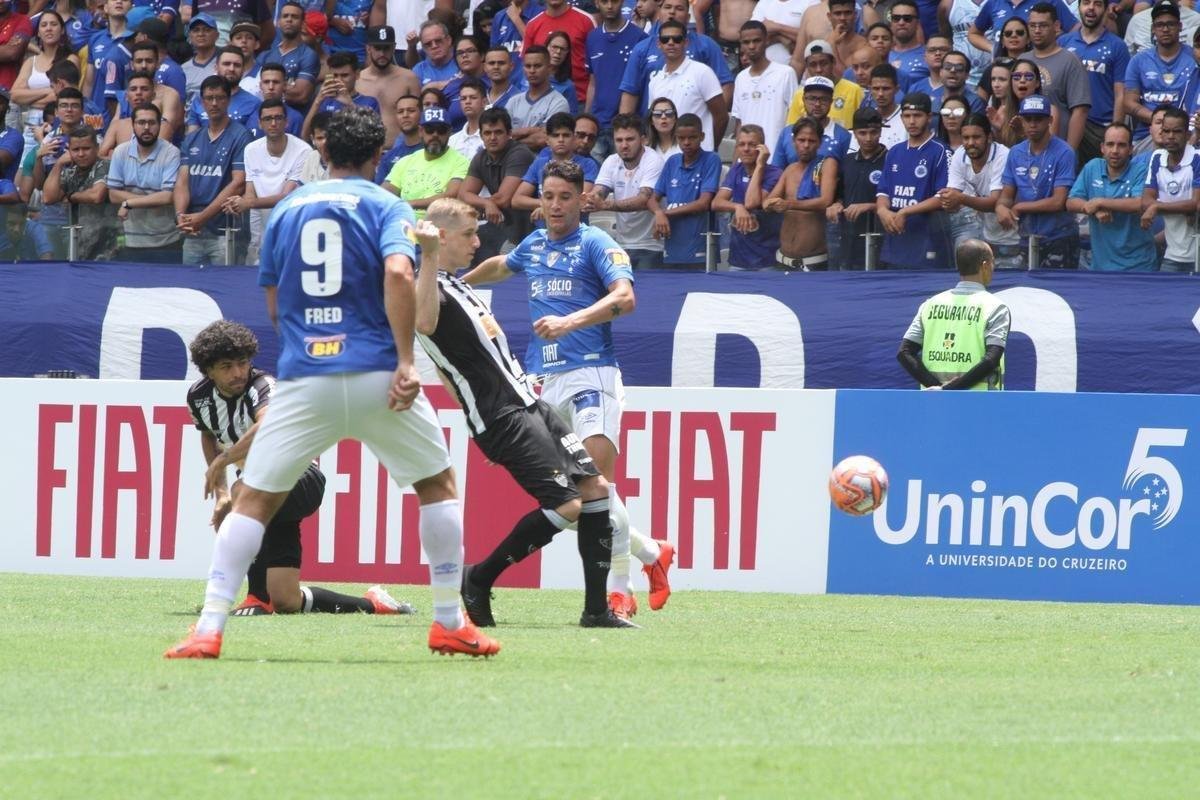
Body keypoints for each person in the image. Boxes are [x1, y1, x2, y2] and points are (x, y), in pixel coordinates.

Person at [165, 107, 499, 660]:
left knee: (250, 502)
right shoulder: (386, 203)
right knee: (436, 487)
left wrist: (302, 346)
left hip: (304, 378)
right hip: (374, 373)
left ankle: (207, 629)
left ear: (323, 156)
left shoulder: (288, 208)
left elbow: (271, 295)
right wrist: (406, 360)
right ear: (376, 158)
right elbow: (397, 273)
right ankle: (448, 622)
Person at [463, 159, 673, 621]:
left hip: (591, 373)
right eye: (548, 196)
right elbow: (503, 264)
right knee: (580, 494)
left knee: (597, 488)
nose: (555, 205)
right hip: (544, 380)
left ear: (583, 200)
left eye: (564, 197)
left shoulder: (597, 243)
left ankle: (618, 591)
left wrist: (570, 320)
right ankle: (651, 552)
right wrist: (459, 282)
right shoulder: (536, 243)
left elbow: (625, 298)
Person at [412, 198, 632, 629]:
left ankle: (595, 610)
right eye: (468, 235)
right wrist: (429, 255)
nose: (478, 242)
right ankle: (479, 577)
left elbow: (448, 363)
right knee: (568, 504)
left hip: (530, 404)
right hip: (502, 416)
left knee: (596, 489)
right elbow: (423, 324)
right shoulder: (428, 286)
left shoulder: (458, 285)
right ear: (439, 238)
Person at [184, 320, 415, 618]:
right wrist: (220, 492)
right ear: (208, 370)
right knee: (287, 600)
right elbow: (208, 433)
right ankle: (375, 603)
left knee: (245, 492)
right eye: (226, 366)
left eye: (242, 363)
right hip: (262, 493)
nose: (238, 373)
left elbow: (266, 424)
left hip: (300, 479)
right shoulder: (199, 397)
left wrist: (224, 461)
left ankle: (256, 598)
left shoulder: (262, 385)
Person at [897, 238, 1011, 390]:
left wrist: (936, 388)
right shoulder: (996, 307)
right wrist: (949, 391)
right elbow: (991, 360)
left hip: (934, 403)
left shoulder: (930, 304)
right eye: (992, 262)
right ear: (985, 266)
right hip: (981, 404)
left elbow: (904, 353)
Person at [173, 75, 254, 266]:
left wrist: (202, 217)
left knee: (225, 288)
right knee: (189, 288)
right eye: (209, 98)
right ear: (202, 102)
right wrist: (180, 217)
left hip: (225, 230)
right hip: (193, 230)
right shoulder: (192, 139)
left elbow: (238, 183)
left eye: (220, 97)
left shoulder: (241, 136)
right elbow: (182, 182)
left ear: (228, 100)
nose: (214, 103)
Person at [224, 97, 310, 265]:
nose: (273, 123)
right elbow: (250, 192)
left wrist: (247, 204)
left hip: (291, 224)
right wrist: (237, 203)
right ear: (259, 123)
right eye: (267, 119)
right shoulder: (251, 150)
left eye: (278, 118)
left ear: (286, 122)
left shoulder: (303, 150)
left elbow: (287, 197)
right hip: (260, 226)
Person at [997, 94, 1078, 268]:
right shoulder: (1016, 152)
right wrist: (1001, 208)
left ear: (1050, 120)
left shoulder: (1064, 152)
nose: (1032, 124)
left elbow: (1059, 201)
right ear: (1021, 120)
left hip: (1059, 236)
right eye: (1028, 119)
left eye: (1038, 119)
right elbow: (1006, 196)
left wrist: (1019, 207)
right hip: (1027, 235)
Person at [875, 92, 952, 269]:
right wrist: (882, 210)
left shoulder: (941, 151)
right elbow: (883, 191)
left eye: (917, 116)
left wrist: (905, 212)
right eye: (907, 116)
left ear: (929, 117)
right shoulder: (894, 152)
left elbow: (943, 196)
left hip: (928, 240)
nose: (911, 121)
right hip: (896, 242)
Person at [1067, 122, 1157, 271]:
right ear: (1102, 147)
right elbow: (1071, 202)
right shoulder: (1092, 167)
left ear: (1130, 149)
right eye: (1110, 144)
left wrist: (1100, 202)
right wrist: (1093, 210)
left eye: (1121, 145)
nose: (1115, 150)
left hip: (1139, 266)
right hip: (1100, 266)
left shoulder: (1141, 170)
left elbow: (1139, 203)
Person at [940, 112, 1021, 269]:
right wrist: (948, 201)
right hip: (984, 232)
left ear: (989, 137)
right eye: (966, 138)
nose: (970, 143)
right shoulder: (959, 155)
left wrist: (960, 199)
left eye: (976, 137)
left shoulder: (1003, 155)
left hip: (1014, 235)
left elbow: (995, 202)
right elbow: (953, 196)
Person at [105, 102, 182, 262]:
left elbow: (167, 197)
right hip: (130, 241)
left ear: (160, 125)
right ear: (133, 125)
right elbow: (113, 194)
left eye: (152, 122)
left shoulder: (171, 152)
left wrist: (128, 203)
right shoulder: (121, 151)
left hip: (166, 242)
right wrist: (152, 199)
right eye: (141, 122)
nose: (146, 127)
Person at [587, 112, 664, 268]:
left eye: (630, 139)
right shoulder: (611, 161)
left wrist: (604, 205)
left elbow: (644, 200)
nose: (624, 145)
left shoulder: (653, 160)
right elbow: (599, 190)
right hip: (621, 244)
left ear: (643, 140)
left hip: (650, 244)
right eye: (619, 140)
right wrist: (591, 198)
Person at [1060, 0, 1131, 166]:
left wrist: (1115, 130)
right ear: (1079, 8)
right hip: (1068, 122)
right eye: (1086, 3)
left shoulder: (1118, 46)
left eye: (1098, 4)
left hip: (1100, 126)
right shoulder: (1063, 43)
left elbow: (1120, 93)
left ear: (1106, 9)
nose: (1091, 8)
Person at [763, 117, 838, 270]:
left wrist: (788, 204)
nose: (806, 145)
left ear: (820, 143)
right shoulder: (790, 169)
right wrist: (771, 205)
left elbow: (825, 201)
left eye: (811, 141)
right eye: (801, 140)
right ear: (793, 141)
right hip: (783, 259)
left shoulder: (827, 164)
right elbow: (767, 202)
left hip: (813, 261)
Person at [460, 106, 535, 262]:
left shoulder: (520, 153)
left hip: (530, 227)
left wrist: (485, 204)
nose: (492, 137)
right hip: (503, 224)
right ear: (481, 135)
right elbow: (463, 195)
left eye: (498, 132)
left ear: (509, 134)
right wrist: (486, 204)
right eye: (487, 133)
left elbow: (503, 199)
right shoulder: (480, 157)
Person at [648, 112, 721, 269]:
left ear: (702, 136)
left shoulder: (711, 159)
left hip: (700, 248)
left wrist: (664, 213)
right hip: (672, 247)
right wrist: (658, 212)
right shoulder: (672, 162)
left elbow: (703, 203)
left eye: (692, 137)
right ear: (676, 137)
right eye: (681, 138)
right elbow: (652, 199)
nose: (686, 142)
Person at [42, 124, 119, 260]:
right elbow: (48, 198)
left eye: (86, 148)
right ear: (69, 151)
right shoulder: (70, 172)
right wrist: (58, 164)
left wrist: (71, 197)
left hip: (107, 247)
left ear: (97, 148)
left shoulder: (105, 165)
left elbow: (97, 196)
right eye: (76, 149)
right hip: (78, 246)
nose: (81, 154)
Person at [1125, 1, 1195, 144]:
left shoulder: (1194, 59)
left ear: (1180, 27)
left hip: (1186, 135)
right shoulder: (1139, 61)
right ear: (1152, 29)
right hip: (1147, 134)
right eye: (1160, 25)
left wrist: (1175, 125)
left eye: (1171, 24)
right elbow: (1128, 103)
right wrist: (1158, 119)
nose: (1165, 29)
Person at [714, 124, 782, 270]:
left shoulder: (775, 173)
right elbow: (716, 202)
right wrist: (737, 207)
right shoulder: (736, 170)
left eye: (752, 145)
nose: (745, 149)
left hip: (767, 259)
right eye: (741, 144)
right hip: (739, 258)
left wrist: (760, 165)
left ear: (762, 148)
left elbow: (752, 202)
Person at [1025, 2, 1091, 151]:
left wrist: (1069, 152)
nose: (1037, 30)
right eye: (1032, 25)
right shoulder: (1023, 60)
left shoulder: (1070, 60)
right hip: (1024, 149)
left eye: (1043, 25)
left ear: (1056, 26)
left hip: (1057, 147)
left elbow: (1080, 111)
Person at [1141, 106, 1200, 271]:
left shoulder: (1197, 158)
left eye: (1177, 132)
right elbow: (1146, 200)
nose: (1170, 136)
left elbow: (1195, 203)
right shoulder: (1157, 158)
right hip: (1172, 254)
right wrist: (1183, 208)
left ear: (1188, 135)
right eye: (1166, 131)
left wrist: (1157, 206)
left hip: (1198, 254)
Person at [586, 0, 646, 160]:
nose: (610, 6)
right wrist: (587, 117)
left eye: (615, 1)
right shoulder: (592, 37)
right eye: (605, 1)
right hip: (598, 123)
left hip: (627, 126)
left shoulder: (639, 37)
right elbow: (592, 82)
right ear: (597, 3)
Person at [383, 106, 468, 218]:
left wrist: (409, 204)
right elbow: (385, 192)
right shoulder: (405, 161)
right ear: (421, 131)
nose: (435, 135)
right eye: (430, 129)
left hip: (440, 227)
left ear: (449, 133)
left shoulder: (461, 162)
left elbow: (450, 196)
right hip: (403, 224)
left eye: (441, 130)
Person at [830, 107, 887, 270]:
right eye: (862, 133)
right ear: (854, 133)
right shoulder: (846, 161)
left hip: (881, 241)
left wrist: (869, 206)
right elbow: (839, 194)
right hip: (849, 241)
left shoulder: (892, 161)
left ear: (881, 131)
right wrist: (837, 204)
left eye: (874, 132)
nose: (868, 138)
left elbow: (899, 202)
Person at [513, 111, 599, 216]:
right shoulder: (539, 164)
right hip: (543, 230)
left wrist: (547, 205)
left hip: (576, 229)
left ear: (573, 138)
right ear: (548, 140)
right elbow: (517, 200)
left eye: (566, 135)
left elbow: (582, 200)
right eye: (556, 135)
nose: (561, 140)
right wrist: (544, 204)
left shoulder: (587, 165)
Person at [731, 20, 796, 153]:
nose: (751, 46)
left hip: (776, 157)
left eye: (756, 41)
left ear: (766, 40)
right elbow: (739, 123)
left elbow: (794, 118)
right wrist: (736, 160)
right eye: (746, 42)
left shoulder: (785, 73)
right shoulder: (740, 78)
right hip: (747, 159)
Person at [522, 0, 595, 104]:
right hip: (541, 101)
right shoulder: (533, 24)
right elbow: (526, 64)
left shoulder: (586, 20)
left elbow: (598, 66)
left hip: (580, 100)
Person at [358, 26, 419, 148]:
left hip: (401, 151)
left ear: (394, 48)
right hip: (365, 152)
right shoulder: (358, 80)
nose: (382, 53)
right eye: (378, 48)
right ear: (368, 48)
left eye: (386, 48)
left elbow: (419, 115)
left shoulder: (408, 78)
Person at [786, 38, 863, 130]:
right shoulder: (800, 94)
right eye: (813, 65)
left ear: (833, 62)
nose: (819, 69)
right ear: (807, 67)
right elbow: (792, 130)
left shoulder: (854, 90)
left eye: (823, 63)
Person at [260, 2, 320, 112]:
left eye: (294, 17)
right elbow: (253, 88)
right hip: (264, 115)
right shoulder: (265, 55)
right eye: (285, 16)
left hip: (293, 118)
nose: (289, 19)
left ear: (302, 24)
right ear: (278, 22)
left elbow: (301, 95)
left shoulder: (308, 55)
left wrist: (269, 91)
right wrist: (288, 85)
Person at [506, 45, 569, 148]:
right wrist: (531, 130)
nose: (532, 70)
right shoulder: (513, 101)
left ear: (549, 68)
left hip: (542, 161)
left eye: (537, 66)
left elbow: (543, 139)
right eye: (528, 66)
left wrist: (512, 139)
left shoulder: (559, 102)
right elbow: (502, 135)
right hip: (512, 161)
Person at [792, 0, 871, 76]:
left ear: (855, 15)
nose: (842, 18)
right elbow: (798, 62)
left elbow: (845, 78)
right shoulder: (823, 42)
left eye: (848, 13)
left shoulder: (863, 46)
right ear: (829, 16)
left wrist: (832, 45)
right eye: (838, 13)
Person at [248, 63, 305, 139]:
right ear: (260, 85)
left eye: (276, 82)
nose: (271, 87)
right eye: (266, 82)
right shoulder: (250, 113)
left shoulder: (295, 118)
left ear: (284, 85)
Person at [375, 94, 422, 183]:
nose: (405, 115)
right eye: (400, 111)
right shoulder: (388, 157)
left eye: (411, 111)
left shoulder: (432, 150)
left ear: (421, 113)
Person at [888, 0, 930, 93]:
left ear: (917, 23)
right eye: (896, 18)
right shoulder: (882, 54)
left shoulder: (929, 55)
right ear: (891, 22)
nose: (901, 22)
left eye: (907, 18)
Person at [181, 13, 218, 109]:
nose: (201, 34)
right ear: (190, 36)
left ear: (217, 35)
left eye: (207, 30)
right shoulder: (183, 69)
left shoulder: (225, 63)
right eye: (196, 30)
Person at [868, 63, 907, 149]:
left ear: (896, 89)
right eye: (876, 89)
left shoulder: (908, 118)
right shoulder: (865, 118)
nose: (880, 94)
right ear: (870, 89)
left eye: (886, 89)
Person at [412, 20, 459, 89]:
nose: (434, 46)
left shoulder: (462, 62)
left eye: (438, 41)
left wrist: (432, 86)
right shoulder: (418, 70)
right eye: (428, 44)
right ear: (423, 48)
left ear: (449, 40)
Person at [448, 78, 486, 160]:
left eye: (473, 97)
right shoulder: (452, 141)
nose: (467, 101)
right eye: (463, 98)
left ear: (484, 102)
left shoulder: (492, 137)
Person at [483, 45, 523, 110]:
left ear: (511, 66)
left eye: (501, 63)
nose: (496, 67)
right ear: (484, 67)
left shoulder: (519, 99)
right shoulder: (479, 97)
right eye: (491, 63)